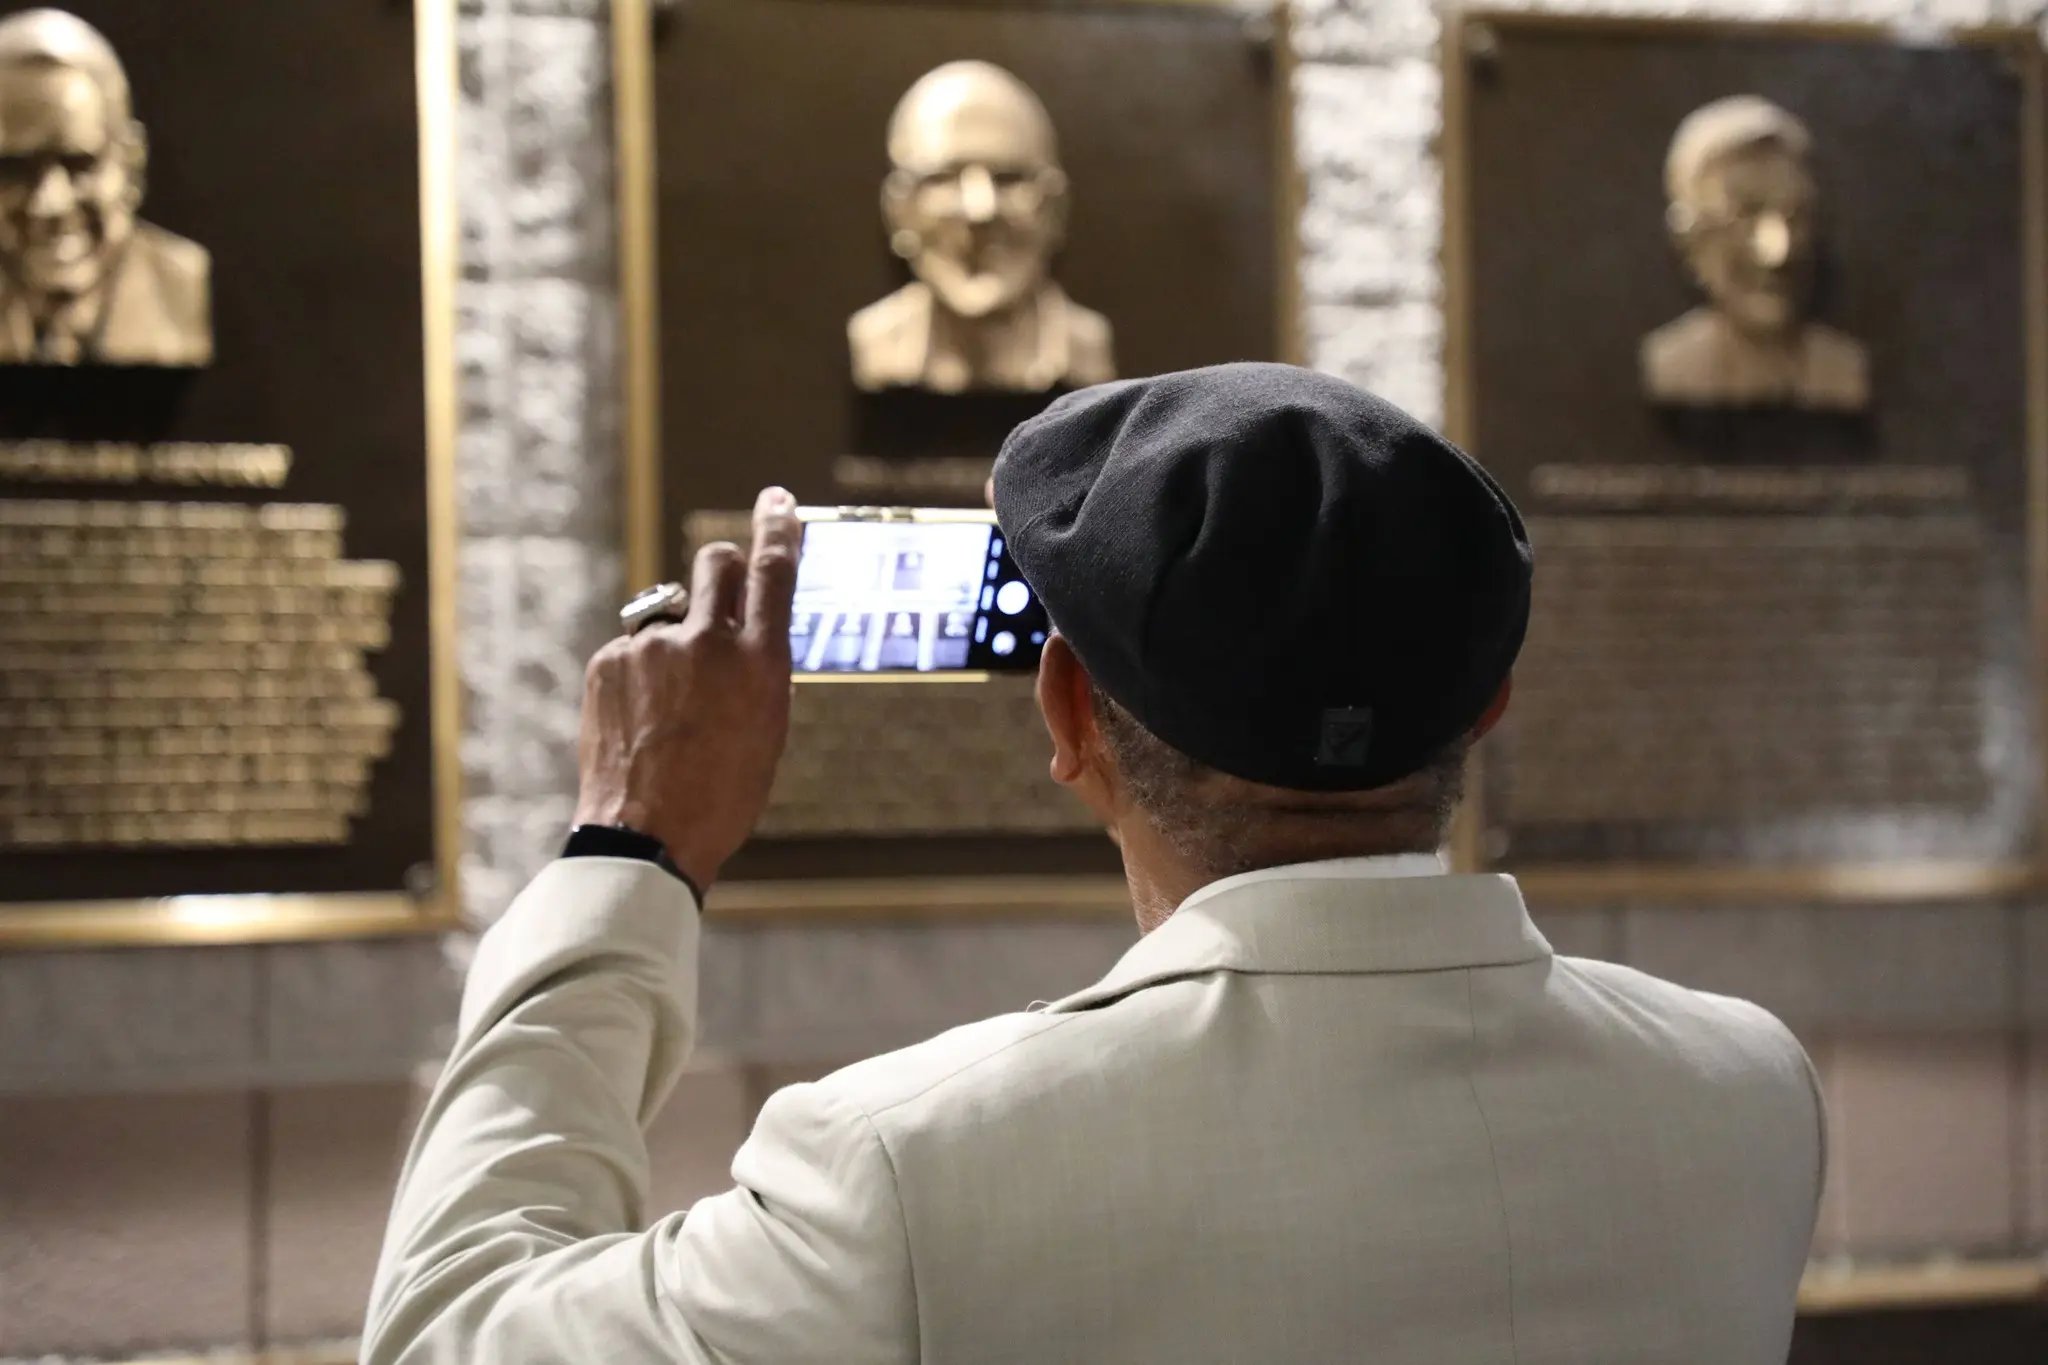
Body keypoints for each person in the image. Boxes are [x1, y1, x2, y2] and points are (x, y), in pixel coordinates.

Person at [366, 364, 1826, 1364]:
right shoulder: (1750, 1090)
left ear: (1067, 711)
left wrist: (630, 844)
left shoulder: (906, 1168)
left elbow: (445, 1332)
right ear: (1487, 703)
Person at [848, 60, 1114, 395]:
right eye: (943, 178)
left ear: (1055, 209)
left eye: (1009, 178)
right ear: (898, 211)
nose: (980, 210)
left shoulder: (1086, 347)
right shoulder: (875, 342)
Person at [0, 8, 210, 367]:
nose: (48, 203)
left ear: (132, 165)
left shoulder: (181, 286)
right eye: (13, 169)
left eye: (80, 164)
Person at [1641, 94, 1867, 411]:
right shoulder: (1668, 364)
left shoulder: (1844, 369)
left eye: (1795, 216)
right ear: (1691, 240)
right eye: (1745, 214)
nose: (1777, 252)